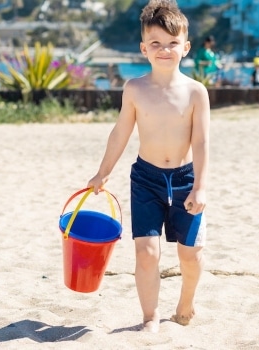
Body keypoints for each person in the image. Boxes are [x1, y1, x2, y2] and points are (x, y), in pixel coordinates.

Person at [86, 0, 210, 333]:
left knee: (191, 255)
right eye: (156, 43)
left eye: (172, 43)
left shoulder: (196, 92)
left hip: (185, 179)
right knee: (146, 253)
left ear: (185, 47)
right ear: (144, 48)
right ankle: (150, 317)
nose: (164, 49)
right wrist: (103, 171)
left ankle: (186, 301)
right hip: (146, 178)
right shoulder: (136, 89)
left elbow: (201, 143)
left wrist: (199, 186)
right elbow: (120, 132)